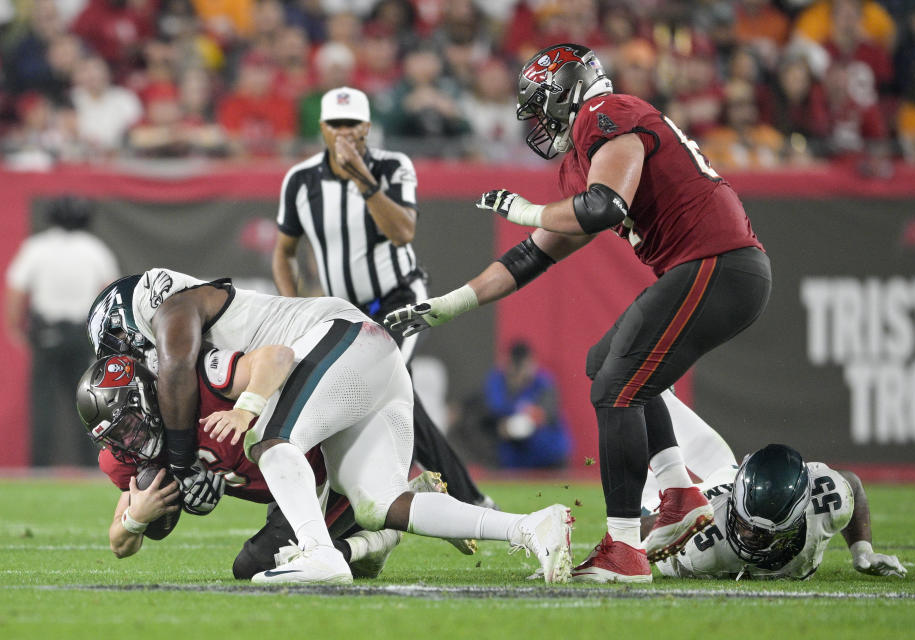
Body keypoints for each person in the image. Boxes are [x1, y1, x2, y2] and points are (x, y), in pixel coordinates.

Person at [385, 43, 771, 584]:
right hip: (712, 269)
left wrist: (521, 208)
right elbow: (531, 255)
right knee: (606, 362)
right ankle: (679, 493)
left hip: (718, 263)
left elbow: (603, 206)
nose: (540, 121)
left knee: (616, 387)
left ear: (568, 89)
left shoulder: (604, 114)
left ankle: (625, 549)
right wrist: (450, 305)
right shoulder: (584, 153)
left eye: (542, 104)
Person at [86, 268, 575, 584]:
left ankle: (320, 553)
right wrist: (139, 513)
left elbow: (183, 367)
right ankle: (532, 527)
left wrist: (196, 450)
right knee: (381, 503)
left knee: (271, 438)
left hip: (341, 339)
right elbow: (124, 536)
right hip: (362, 365)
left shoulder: (180, 330)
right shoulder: (158, 400)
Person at [272, 85, 490, 508]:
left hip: (398, 301)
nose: (343, 132)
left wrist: (364, 181)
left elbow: (402, 231)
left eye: (351, 123)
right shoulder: (300, 179)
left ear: (368, 126)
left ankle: (430, 498)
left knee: (378, 382)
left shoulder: (392, 166)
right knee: (391, 389)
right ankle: (458, 499)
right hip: (343, 313)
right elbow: (284, 252)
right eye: (335, 124)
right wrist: (292, 309)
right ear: (321, 127)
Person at [75, 352, 466, 580]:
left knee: (257, 566)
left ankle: (386, 528)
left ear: (146, 397)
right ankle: (380, 526)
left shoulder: (204, 384)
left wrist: (247, 408)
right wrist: (135, 519)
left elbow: (278, 361)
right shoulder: (127, 457)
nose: (128, 442)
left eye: (128, 425)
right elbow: (119, 544)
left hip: (321, 463)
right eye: (115, 436)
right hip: (285, 489)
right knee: (334, 571)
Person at [650, 444, 906, 580]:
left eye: (763, 534)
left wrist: (863, 552)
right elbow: (650, 525)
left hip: (727, 487)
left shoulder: (828, 499)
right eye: (743, 523)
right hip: (711, 493)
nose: (749, 536)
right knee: (651, 493)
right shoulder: (702, 544)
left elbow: (853, 484)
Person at [5, 196, 119, 466]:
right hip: (81, 335)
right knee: (88, 402)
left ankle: (39, 467)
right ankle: (93, 465)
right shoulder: (94, 248)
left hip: (47, 333)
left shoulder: (37, 247)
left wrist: (14, 326)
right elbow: (112, 293)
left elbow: (16, 290)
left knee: (42, 404)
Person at [483, 340, 572, 469]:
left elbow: (547, 413)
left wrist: (518, 423)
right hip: (515, 458)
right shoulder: (497, 382)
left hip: (549, 457)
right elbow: (493, 412)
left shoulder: (544, 383)